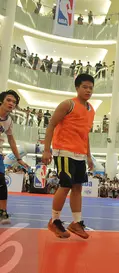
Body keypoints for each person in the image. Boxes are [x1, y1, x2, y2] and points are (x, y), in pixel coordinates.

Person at [42, 74, 95, 239]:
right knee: (65, 185)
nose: (88, 90)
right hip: (64, 150)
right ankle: (55, 221)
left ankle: (76, 222)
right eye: (85, 87)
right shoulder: (68, 104)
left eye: (91, 88)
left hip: (80, 154)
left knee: (78, 187)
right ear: (77, 88)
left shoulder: (91, 110)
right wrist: (46, 149)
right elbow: (51, 124)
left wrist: (89, 155)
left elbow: (86, 134)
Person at [0, 90, 29, 224]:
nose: (11, 103)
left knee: (1, 182)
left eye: (14, 102)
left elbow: (11, 140)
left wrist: (18, 159)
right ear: (2, 101)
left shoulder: (9, 121)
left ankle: (2, 213)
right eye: (8, 100)